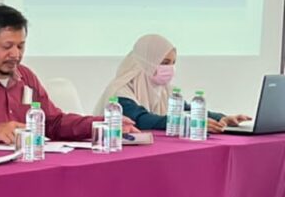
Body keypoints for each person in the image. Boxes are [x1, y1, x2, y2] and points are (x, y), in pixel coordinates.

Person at [0, 4, 132, 143]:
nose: (15, 54)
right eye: (7, 46)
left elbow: (53, 123)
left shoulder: (26, 77)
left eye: (21, 46)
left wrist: (100, 123)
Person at [94, 34, 249, 133]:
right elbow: (141, 120)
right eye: (164, 62)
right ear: (146, 63)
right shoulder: (120, 91)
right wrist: (186, 123)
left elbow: (187, 109)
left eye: (173, 63)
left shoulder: (164, 90)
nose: (170, 68)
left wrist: (222, 118)